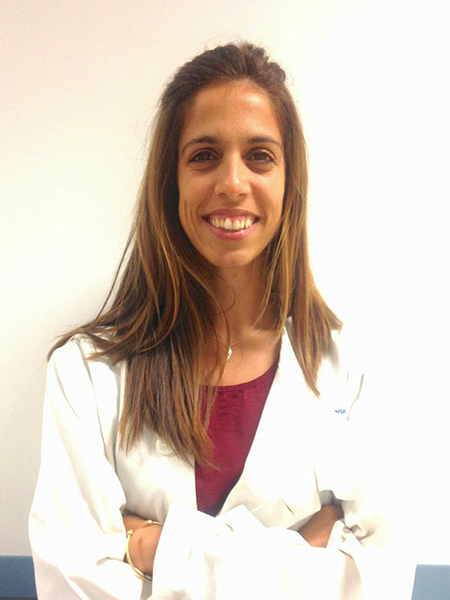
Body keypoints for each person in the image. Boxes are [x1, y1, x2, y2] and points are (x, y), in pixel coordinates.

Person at [29, 41, 390, 600]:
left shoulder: (355, 367)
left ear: (289, 182)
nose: (232, 183)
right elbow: (71, 581)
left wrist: (151, 547)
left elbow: (378, 577)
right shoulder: (85, 373)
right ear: (171, 180)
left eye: (260, 155)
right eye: (204, 155)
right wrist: (301, 552)